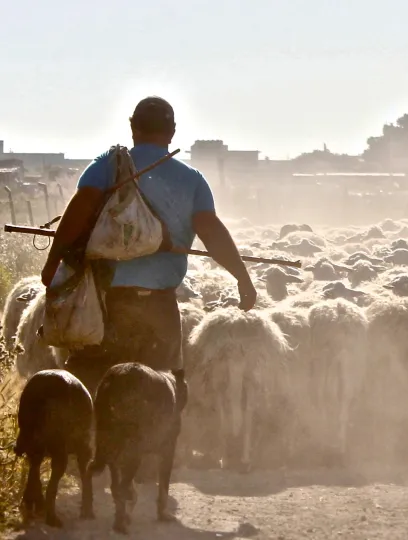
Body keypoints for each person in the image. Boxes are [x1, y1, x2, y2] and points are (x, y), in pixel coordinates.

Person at [40, 96, 256, 392]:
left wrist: (52, 266)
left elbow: (79, 210)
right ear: (172, 132)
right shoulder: (192, 179)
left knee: (88, 391)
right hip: (158, 310)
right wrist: (242, 277)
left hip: (105, 308)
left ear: (133, 128)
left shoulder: (108, 166)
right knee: (164, 394)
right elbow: (211, 231)